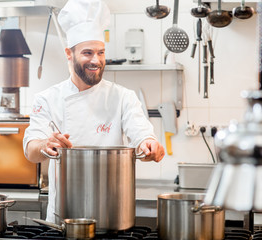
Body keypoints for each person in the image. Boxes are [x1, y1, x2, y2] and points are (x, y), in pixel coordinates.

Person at [23, 0, 165, 223]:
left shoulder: (122, 97)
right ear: (69, 53)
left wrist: (150, 146)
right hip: (64, 216)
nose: (96, 60)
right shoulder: (48, 99)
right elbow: (31, 151)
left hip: (113, 214)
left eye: (101, 53)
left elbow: (142, 137)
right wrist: (46, 145)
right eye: (87, 53)